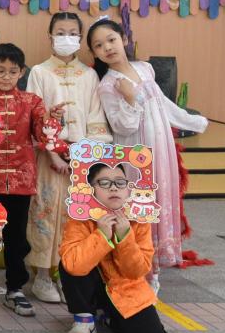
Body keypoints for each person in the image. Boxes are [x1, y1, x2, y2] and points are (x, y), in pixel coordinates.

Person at [88, 17, 208, 276]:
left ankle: (157, 265)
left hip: (161, 147)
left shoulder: (145, 68)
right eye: (99, 45)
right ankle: (141, 266)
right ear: (95, 53)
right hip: (135, 153)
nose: (107, 47)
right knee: (141, 202)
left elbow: (163, 104)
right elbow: (123, 126)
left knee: (161, 196)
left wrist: (192, 121)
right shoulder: (108, 85)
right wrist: (130, 98)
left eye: (111, 39)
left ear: (124, 39)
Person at [0, 43, 67, 318]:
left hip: (20, 181)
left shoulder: (31, 101)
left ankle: (15, 289)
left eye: (12, 71)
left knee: (16, 238)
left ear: (21, 72)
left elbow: (42, 134)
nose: (6, 76)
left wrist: (53, 118)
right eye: (0, 70)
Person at [24, 13, 111, 303]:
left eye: (72, 33)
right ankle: (42, 275)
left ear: (80, 38)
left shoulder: (89, 75)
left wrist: (85, 154)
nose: (66, 38)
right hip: (48, 156)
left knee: (75, 215)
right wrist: (52, 150)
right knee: (45, 210)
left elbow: (96, 117)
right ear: (50, 36)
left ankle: (68, 272)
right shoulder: (39, 72)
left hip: (80, 158)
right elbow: (33, 116)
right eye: (60, 32)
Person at [59, 162, 168, 333]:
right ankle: (84, 319)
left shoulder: (139, 218)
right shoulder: (80, 216)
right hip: (90, 285)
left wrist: (124, 237)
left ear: (127, 188)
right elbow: (73, 265)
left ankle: (107, 317)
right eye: (104, 183)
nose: (113, 188)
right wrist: (101, 235)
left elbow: (137, 271)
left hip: (125, 288)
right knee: (70, 261)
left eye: (120, 182)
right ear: (91, 189)